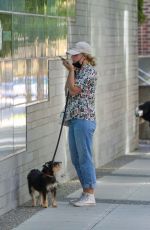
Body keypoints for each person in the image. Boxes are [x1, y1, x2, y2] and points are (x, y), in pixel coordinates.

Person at [62, 41, 97, 207]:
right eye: (72, 55)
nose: (72, 57)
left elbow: (74, 90)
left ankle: (90, 194)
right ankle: (85, 192)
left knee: (85, 157)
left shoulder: (89, 72)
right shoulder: (78, 71)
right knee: (76, 158)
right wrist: (72, 72)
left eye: (75, 55)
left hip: (84, 119)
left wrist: (70, 71)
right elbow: (68, 90)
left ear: (85, 56)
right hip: (75, 118)